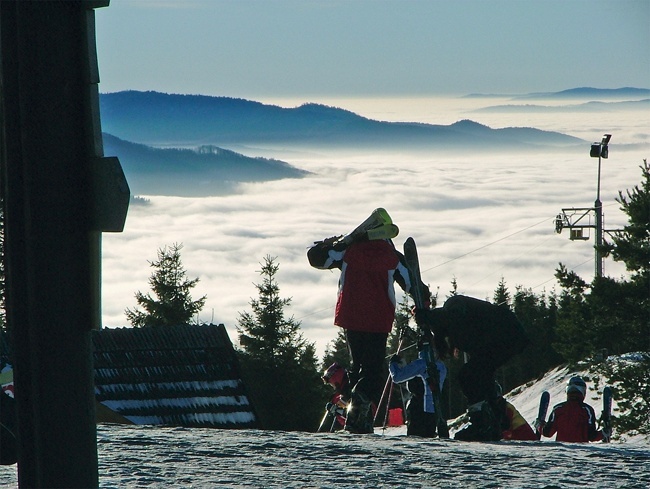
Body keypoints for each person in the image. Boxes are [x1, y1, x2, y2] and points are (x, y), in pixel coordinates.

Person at [308, 213, 415, 434]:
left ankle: (354, 417)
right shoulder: (392, 257)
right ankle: (358, 415)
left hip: (351, 317)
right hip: (378, 320)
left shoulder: (347, 251)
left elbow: (316, 258)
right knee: (373, 373)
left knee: (358, 368)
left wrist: (333, 243)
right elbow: (412, 283)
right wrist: (423, 305)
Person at [415, 295, 529, 441]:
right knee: (478, 375)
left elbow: (451, 316)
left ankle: (483, 423)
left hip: (506, 334)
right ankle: (494, 421)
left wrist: (428, 317)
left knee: (468, 375)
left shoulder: (455, 307)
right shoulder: (463, 332)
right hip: (508, 336)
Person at [389, 337, 448, 438]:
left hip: (418, 410)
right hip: (434, 411)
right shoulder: (441, 366)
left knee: (416, 440)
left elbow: (397, 377)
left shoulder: (420, 364)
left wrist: (393, 364)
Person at [539, 376, 607, 443]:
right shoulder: (587, 410)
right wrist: (603, 433)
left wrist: (539, 426)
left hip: (561, 451)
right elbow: (591, 436)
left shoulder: (558, 409)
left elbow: (547, 432)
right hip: (582, 451)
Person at [317, 362, 350, 432]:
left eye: (330, 382)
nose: (331, 385)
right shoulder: (341, 393)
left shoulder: (349, 390)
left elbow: (350, 413)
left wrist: (335, 410)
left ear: (335, 377)